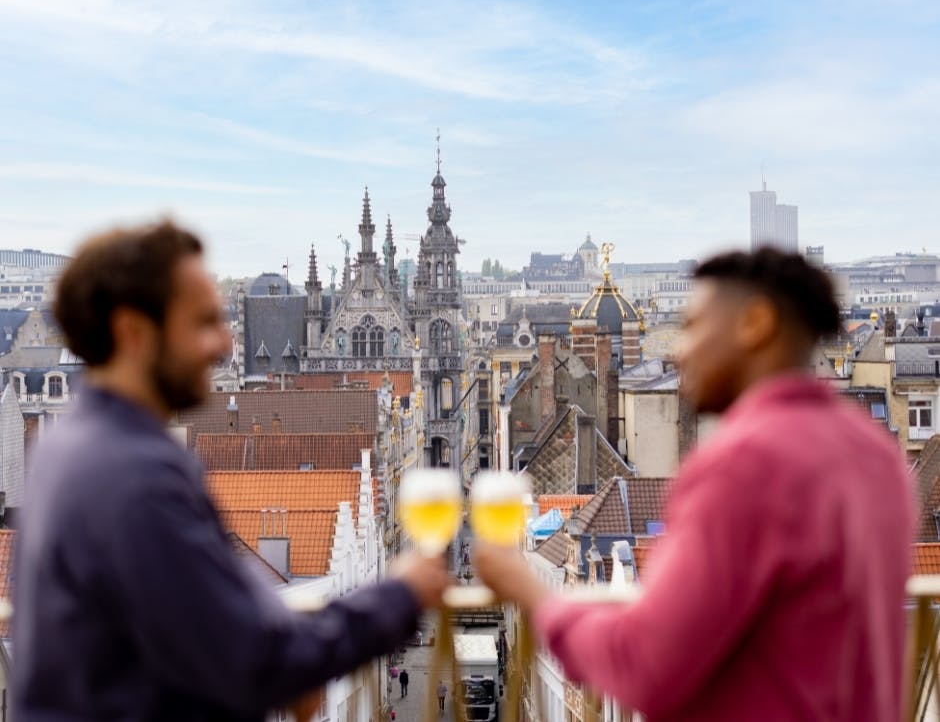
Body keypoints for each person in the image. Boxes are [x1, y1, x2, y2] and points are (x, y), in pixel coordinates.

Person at [12, 221, 450, 722]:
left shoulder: (68, 448)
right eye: (202, 322)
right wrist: (400, 595)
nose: (223, 343)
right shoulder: (133, 475)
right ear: (134, 332)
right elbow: (260, 658)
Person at [474, 248, 914, 722]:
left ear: (755, 323)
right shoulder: (875, 455)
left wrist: (532, 593)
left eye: (696, 326)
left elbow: (644, 664)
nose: (679, 351)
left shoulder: (743, 464)